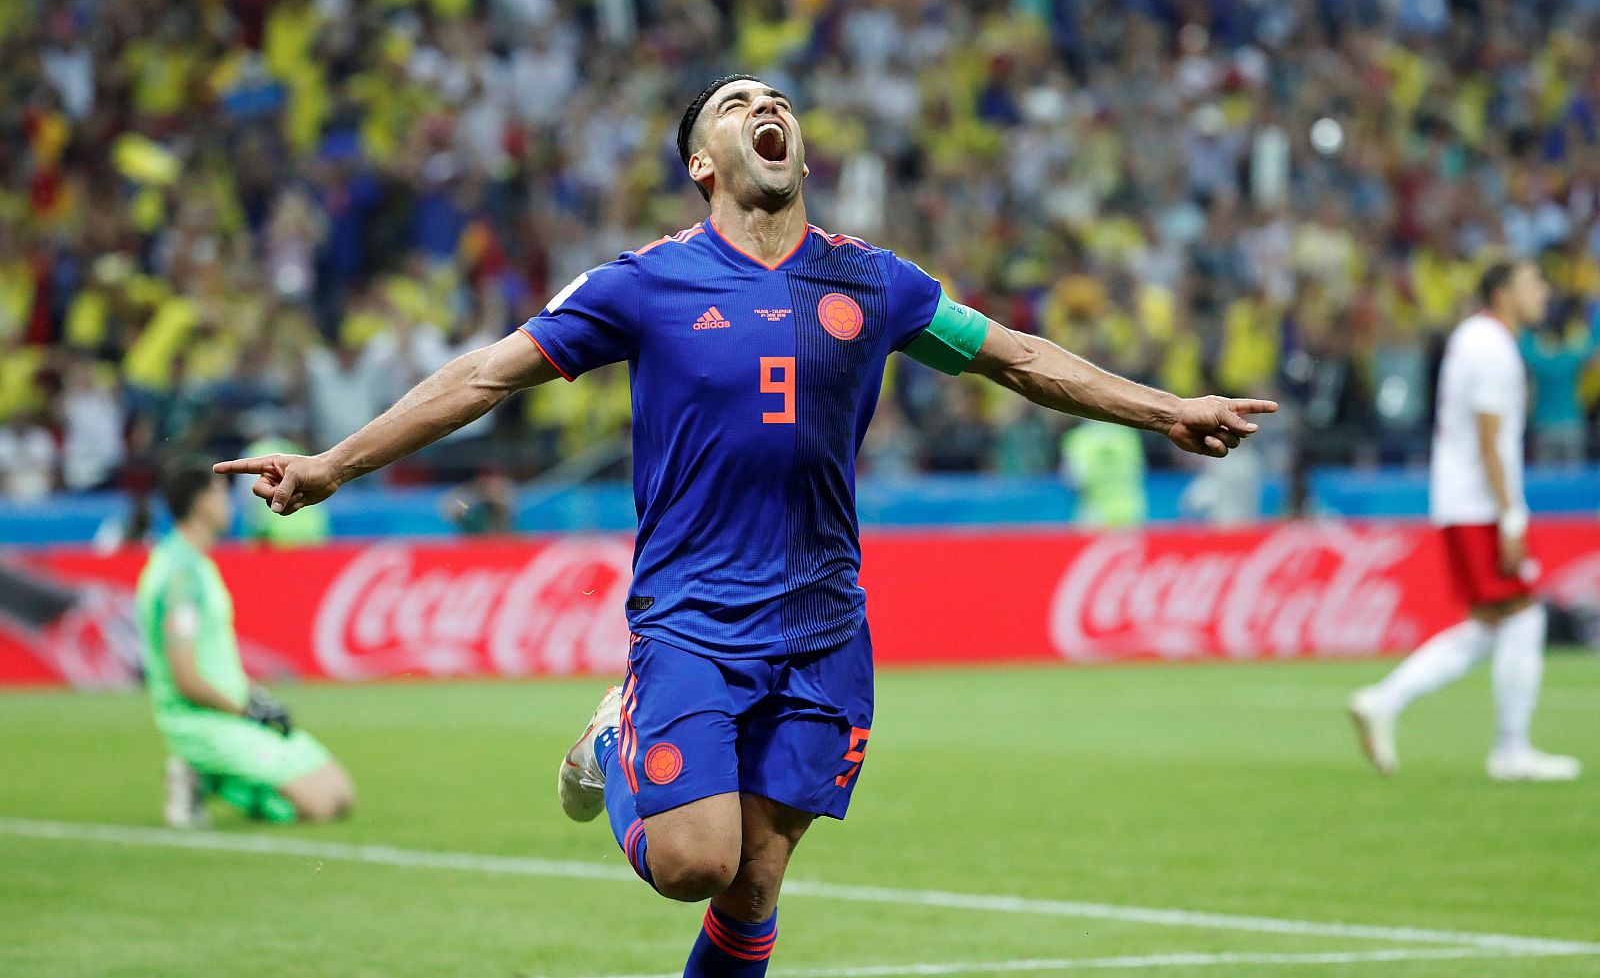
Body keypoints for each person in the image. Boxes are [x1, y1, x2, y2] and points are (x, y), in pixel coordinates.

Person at [216, 75, 1276, 975]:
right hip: (691, 617)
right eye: (736, 104)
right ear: (703, 163)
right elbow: (487, 376)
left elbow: (1019, 356)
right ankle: (609, 736)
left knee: (757, 881)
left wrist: (1166, 409)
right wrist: (332, 465)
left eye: (777, 102)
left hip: (824, 622)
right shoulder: (645, 282)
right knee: (693, 865)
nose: (765, 108)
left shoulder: (874, 278)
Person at [1348, 261, 1581, 783]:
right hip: (1479, 505)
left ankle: (1384, 699)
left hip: (1461, 500)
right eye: (1533, 283)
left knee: (1494, 625)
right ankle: (1510, 750)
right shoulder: (1492, 346)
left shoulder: (1475, 339)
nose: (1544, 291)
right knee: (1523, 615)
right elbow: (1490, 436)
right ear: (1503, 293)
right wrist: (1512, 516)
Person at [137, 458, 355, 827]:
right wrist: (248, 711)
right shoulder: (180, 576)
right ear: (201, 504)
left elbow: (214, 659)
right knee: (317, 806)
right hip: (204, 722)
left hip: (232, 710)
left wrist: (255, 697)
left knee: (340, 796)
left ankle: (206, 777)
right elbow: (185, 676)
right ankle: (202, 775)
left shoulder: (195, 565)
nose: (230, 505)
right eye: (222, 496)